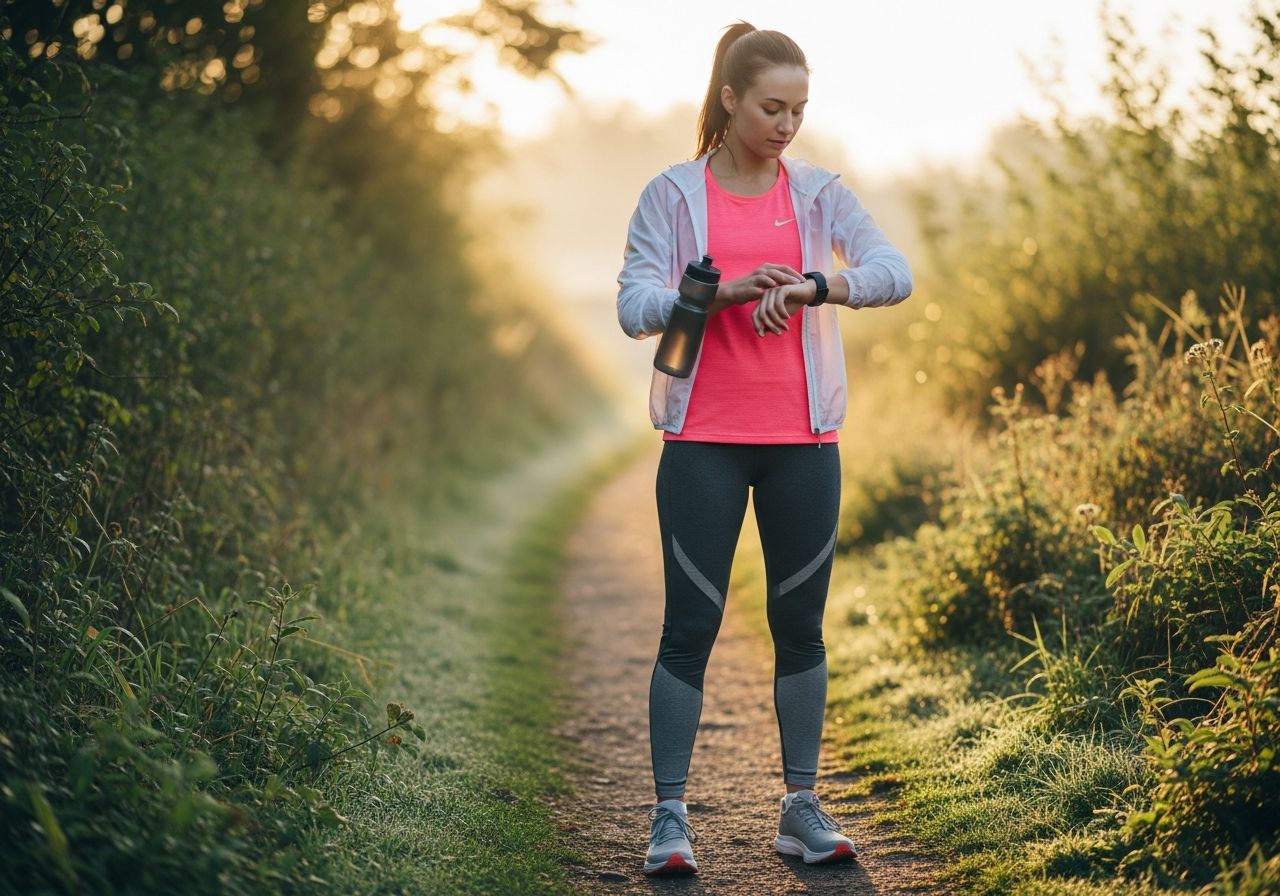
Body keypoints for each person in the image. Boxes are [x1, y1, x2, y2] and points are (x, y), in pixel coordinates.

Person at [615, 21, 913, 876]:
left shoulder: (819, 195)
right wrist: (715, 294)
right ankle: (670, 820)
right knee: (689, 629)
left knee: (801, 629)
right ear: (730, 100)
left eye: (800, 109)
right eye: (772, 107)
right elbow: (636, 303)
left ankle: (800, 810)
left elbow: (895, 271)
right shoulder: (673, 195)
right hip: (704, 439)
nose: (787, 124)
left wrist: (820, 284)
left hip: (804, 444)